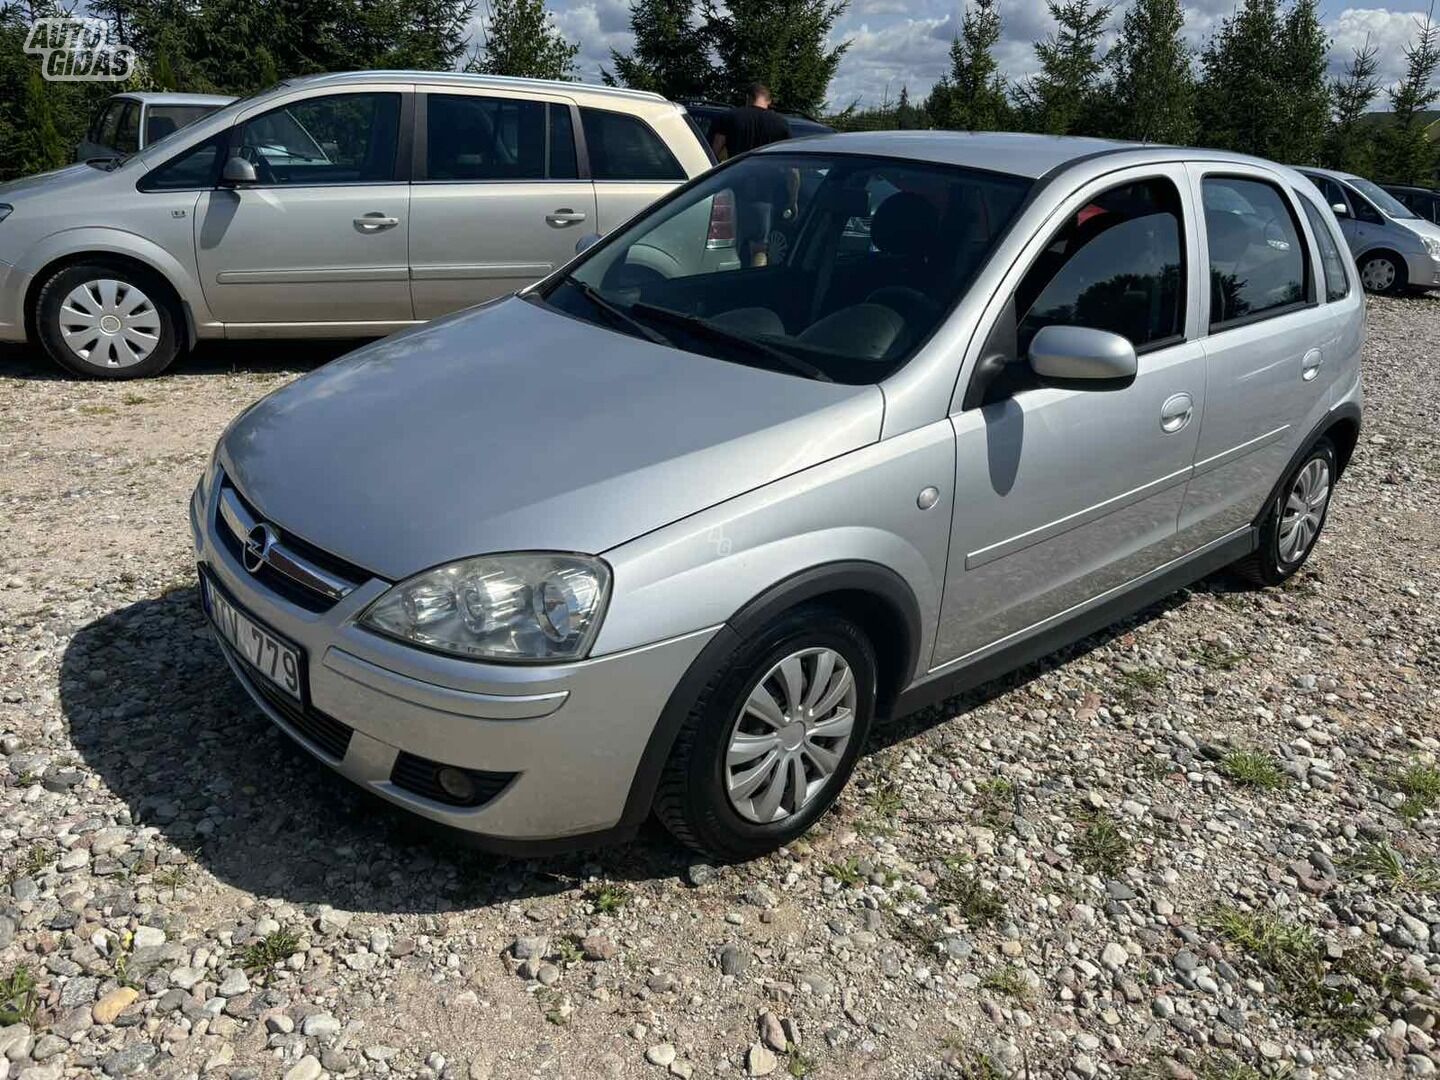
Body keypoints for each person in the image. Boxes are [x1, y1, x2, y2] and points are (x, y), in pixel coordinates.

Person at [711, 84, 795, 267]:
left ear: (748, 98)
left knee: (729, 245)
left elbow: (714, 152)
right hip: (764, 196)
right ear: (769, 101)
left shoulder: (729, 117)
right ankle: (754, 285)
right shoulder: (780, 123)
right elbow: (792, 168)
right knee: (759, 247)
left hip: (732, 189)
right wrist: (792, 199)